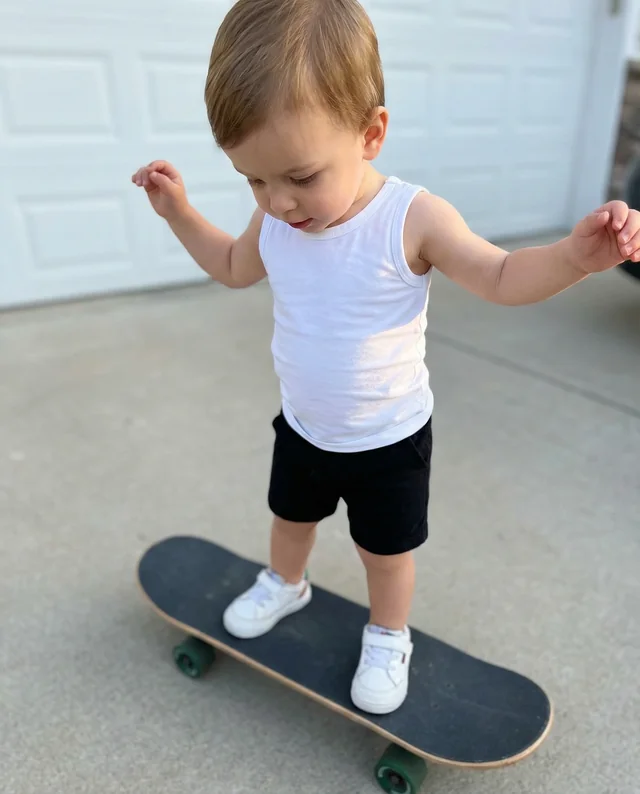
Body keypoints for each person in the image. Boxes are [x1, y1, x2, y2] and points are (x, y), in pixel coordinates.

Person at [132, 0, 640, 715]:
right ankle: (288, 583)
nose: (277, 201)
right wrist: (181, 212)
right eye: (253, 179)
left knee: (386, 552)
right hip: (306, 425)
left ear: (370, 133)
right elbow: (232, 266)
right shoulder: (276, 218)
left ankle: (387, 633)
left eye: (301, 176)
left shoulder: (411, 219)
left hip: (388, 439)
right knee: (289, 518)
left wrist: (574, 259)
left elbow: (499, 277)